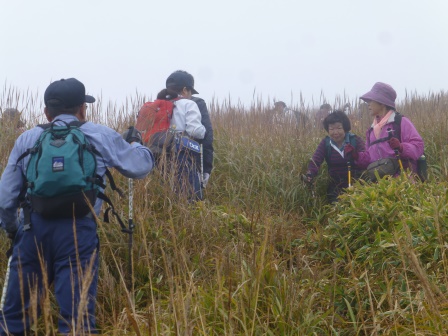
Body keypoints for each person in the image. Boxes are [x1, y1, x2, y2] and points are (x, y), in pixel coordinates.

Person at [0, 78, 154, 335]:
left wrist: (14, 231)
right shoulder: (99, 134)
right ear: (83, 109)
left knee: (13, 319)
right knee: (77, 321)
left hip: (31, 229)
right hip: (77, 232)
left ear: (47, 112)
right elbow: (140, 167)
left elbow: (5, 198)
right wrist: (137, 143)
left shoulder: (28, 139)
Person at [345, 82, 424, 179]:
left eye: (371, 100)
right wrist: (356, 155)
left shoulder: (401, 122)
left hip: (403, 183)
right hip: (380, 184)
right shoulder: (371, 130)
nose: (368, 104)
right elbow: (370, 158)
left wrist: (401, 147)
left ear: (382, 102)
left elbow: (418, 147)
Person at [163, 70, 206, 200]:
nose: (191, 95)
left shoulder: (160, 105)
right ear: (185, 90)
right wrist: (204, 129)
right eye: (190, 92)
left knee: (168, 192)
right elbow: (195, 131)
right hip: (181, 153)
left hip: (160, 154)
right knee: (191, 195)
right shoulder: (188, 104)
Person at [306, 110, 366, 203]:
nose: (335, 132)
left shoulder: (355, 140)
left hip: (356, 184)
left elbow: (366, 160)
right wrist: (310, 174)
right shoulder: (326, 143)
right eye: (331, 129)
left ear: (345, 128)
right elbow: (316, 160)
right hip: (335, 187)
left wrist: (355, 154)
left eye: (338, 128)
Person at [190, 95, 214, 189]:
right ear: (185, 89)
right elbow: (207, 138)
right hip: (193, 157)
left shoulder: (164, 103)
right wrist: (206, 170)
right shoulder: (197, 103)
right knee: (195, 191)